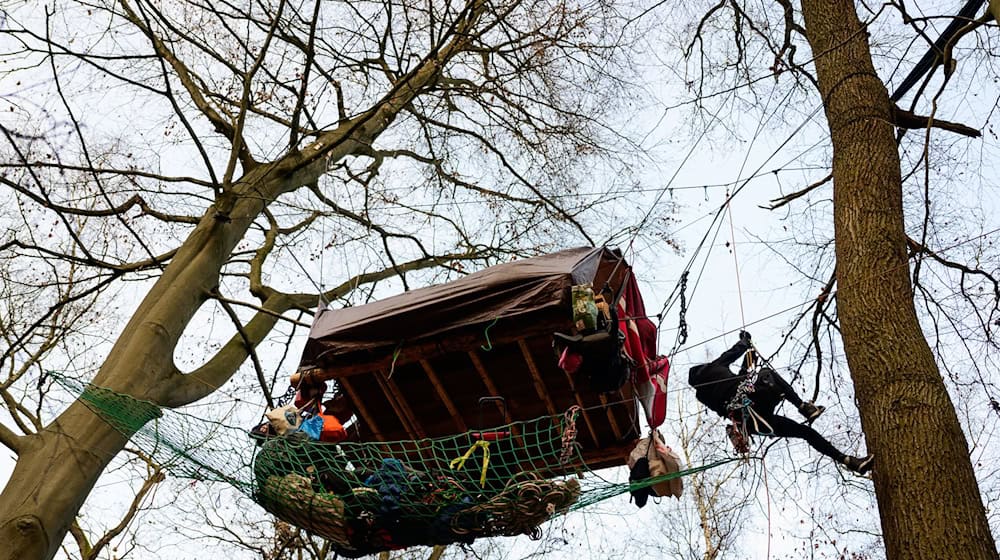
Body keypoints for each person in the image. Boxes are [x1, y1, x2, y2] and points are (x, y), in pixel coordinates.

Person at [688, 331, 873, 474]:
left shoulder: (702, 396)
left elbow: (733, 389)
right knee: (766, 374)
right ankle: (803, 407)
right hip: (754, 400)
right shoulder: (714, 367)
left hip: (749, 421)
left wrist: (746, 364)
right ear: (702, 369)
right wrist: (745, 340)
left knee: (804, 432)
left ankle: (849, 461)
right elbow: (736, 354)